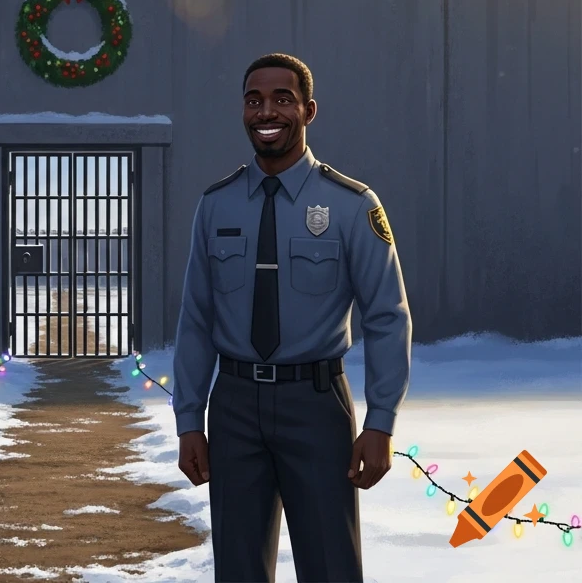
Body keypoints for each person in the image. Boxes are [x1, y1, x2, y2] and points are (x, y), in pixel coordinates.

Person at [172, 53, 412, 583]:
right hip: (233, 407)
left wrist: (381, 422)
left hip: (316, 406)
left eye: (283, 98)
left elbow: (388, 317)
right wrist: (189, 417)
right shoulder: (216, 205)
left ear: (309, 110)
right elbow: (196, 319)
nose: (267, 111)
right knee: (237, 567)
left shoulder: (351, 205)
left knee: (330, 566)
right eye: (254, 99)